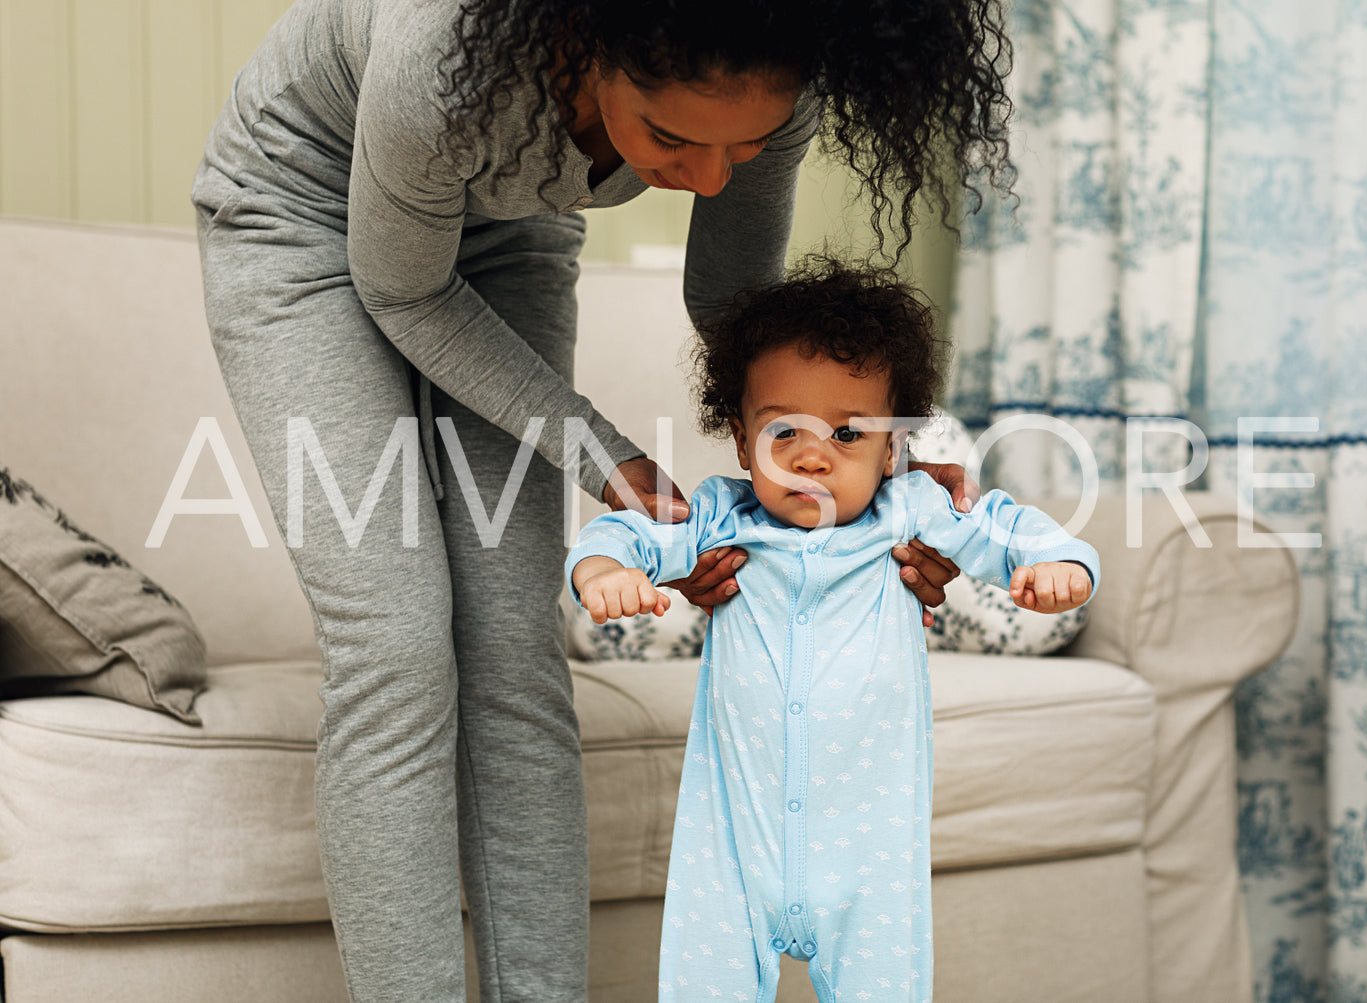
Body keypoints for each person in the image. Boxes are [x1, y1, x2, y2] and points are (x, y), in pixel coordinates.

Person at [191, 1, 1014, 999]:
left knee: (511, 639)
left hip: (507, 230)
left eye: (743, 145)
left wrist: (882, 463)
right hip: (304, 217)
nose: (711, 178)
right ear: (582, 45)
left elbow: (738, 317)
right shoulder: (441, 51)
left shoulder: (772, 69)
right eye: (670, 137)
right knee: (398, 642)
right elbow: (403, 290)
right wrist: (606, 457)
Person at [567, 259, 1098, 1002]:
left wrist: (1056, 560)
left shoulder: (909, 508)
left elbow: (1005, 527)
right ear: (739, 432)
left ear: (892, 450)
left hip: (868, 857)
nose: (811, 453)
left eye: (846, 432)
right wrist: (603, 572)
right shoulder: (720, 514)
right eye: (783, 428)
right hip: (730, 846)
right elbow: (629, 535)